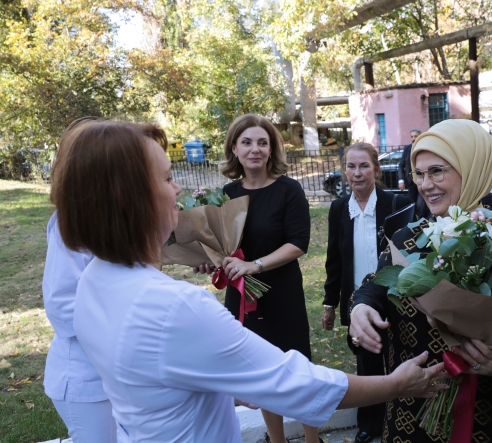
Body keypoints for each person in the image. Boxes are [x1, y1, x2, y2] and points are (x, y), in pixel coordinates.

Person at [50, 118, 448, 443]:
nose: (177, 191)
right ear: (130, 198)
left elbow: (164, 376)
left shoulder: (94, 282)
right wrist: (396, 384)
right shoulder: (176, 307)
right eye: (168, 178)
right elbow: (293, 383)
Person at [348, 119, 492, 442]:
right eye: (418, 174)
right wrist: (361, 309)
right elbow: (376, 287)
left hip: (491, 422)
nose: (425, 184)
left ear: (471, 167)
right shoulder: (407, 240)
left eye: (437, 171)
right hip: (413, 417)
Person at [218, 114, 317, 443]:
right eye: (246, 142)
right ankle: (277, 440)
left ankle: (312, 438)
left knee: (296, 370)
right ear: (234, 148)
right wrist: (212, 261)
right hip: (243, 296)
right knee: (261, 371)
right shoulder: (227, 193)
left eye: (262, 142)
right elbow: (223, 246)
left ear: (272, 148)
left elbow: (298, 244)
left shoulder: (289, 190)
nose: (255, 149)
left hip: (282, 294)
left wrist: (255, 266)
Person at [322, 142, 411, 443]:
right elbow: (334, 260)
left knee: (397, 360)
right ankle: (370, 425)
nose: (357, 173)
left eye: (363, 166)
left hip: (394, 295)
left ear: (375, 169)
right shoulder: (338, 209)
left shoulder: (395, 204)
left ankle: (399, 419)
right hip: (356, 300)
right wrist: (329, 303)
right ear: (344, 169)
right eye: (350, 166)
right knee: (367, 364)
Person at [42, 117, 116, 443]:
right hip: (86, 381)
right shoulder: (67, 224)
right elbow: (62, 306)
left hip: (115, 374)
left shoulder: (110, 216)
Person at [397, 128, 422, 203]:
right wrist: (401, 181)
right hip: (410, 181)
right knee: (412, 204)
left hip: (422, 180)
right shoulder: (407, 148)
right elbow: (401, 165)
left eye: (415, 136)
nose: (413, 138)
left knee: (420, 205)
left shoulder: (423, 147)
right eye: (412, 136)